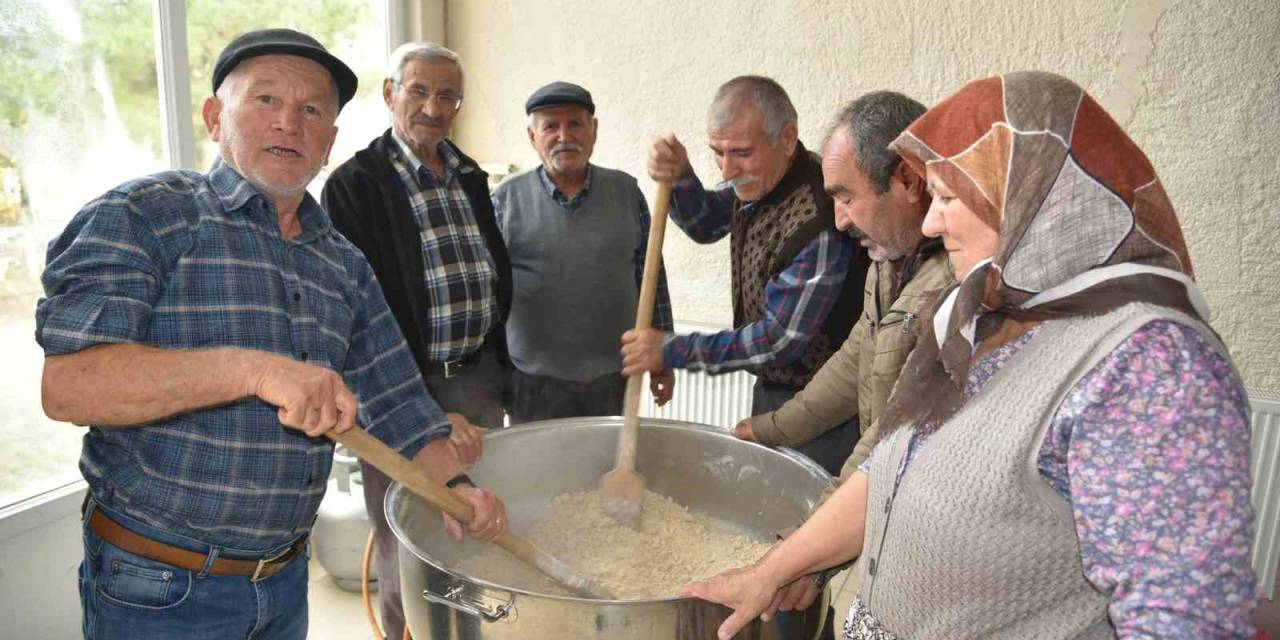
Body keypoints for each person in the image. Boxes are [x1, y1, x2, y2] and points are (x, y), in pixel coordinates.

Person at [683, 71, 1257, 640]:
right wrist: (774, 571)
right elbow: (888, 466)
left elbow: (1182, 620)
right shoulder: (977, 314)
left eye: (950, 197)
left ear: (1031, 200)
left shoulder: (1149, 364)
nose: (931, 220)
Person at [36, 29, 506, 640]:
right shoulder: (144, 214)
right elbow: (71, 386)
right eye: (264, 100)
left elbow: (398, 403)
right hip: (157, 587)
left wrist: (459, 487)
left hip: (284, 584)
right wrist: (256, 372)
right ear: (213, 118)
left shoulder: (342, 263)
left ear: (329, 141)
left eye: (312, 109)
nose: (290, 122)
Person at [734, 91, 956, 639]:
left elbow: (889, 438)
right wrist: (768, 429)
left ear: (907, 181)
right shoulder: (889, 261)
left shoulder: (954, 286)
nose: (837, 220)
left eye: (846, 197)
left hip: (919, 543)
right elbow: (853, 359)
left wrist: (810, 545)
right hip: (876, 512)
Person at [320, 42, 511, 640]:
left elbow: (490, 275)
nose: (434, 106)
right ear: (389, 94)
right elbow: (362, 321)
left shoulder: (469, 174)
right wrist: (430, 410)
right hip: (405, 390)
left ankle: (473, 630)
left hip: (477, 377)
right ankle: (411, 632)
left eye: (447, 95)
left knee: (476, 518)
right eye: (419, 91)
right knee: (409, 536)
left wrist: (493, 376)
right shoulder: (354, 187)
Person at [625, 75, 871, 475]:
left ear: (787, 139)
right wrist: (682, 176)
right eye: (716, 152)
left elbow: (778, 342)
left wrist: (671, 349)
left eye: (740, 153)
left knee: (810, 511)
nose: (726, 169)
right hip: (773, 389)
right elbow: (705, 223)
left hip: (827, 407)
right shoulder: (760, 182)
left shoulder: (819, 219)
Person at [491, 81, 674, 423]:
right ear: (533, 137)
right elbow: (490, 297)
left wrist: (663, 356)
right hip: (532, 382)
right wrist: (496, 373)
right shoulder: (505, 200)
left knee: (605, 471)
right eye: (550, 126)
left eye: (575, 123)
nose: (564, 136)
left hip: (614, 378)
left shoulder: (626, 192)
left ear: (594, 130)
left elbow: (651, 277)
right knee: (538, 476)